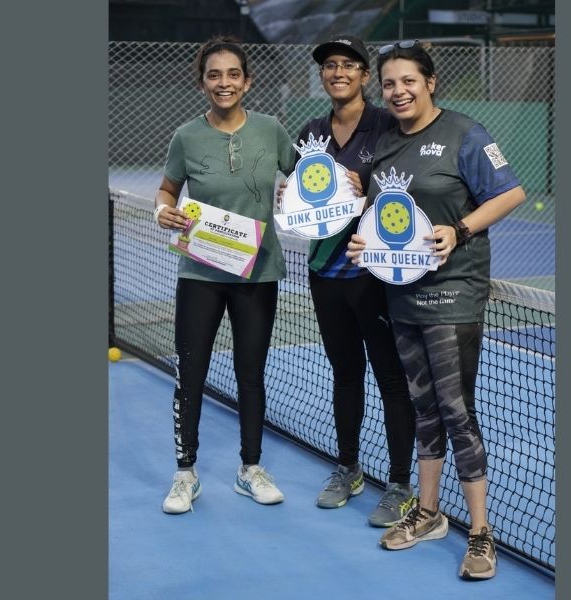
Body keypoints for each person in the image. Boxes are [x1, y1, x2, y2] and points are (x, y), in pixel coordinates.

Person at [346, 40, 526, 580]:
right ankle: (428, 513)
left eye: (409, 81)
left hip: (454, 294)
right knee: (423, 407)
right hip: (402, 296)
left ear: (430, 82)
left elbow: (510, 193)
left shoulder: (465, 134)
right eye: (389, 83)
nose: (398, 91)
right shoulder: (385, 146)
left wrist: (460, 228)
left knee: (455, 410)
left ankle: (481, 532)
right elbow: (383, 216)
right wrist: (364, 243)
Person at [154, 36, 296, 514]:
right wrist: (162, 211)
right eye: (214, 75)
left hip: (258, 273)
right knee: (190, 371)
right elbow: (167, 190)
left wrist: (294, 193)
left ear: (247, 81)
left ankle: (250, 468)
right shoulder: (186, 136)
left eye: (233, 74)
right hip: (200, 274)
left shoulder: (272, 130)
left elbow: (304, 180)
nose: (224, 82)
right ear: (202, 83)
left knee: (250, 373)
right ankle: (185, 473)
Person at [291, 35, 418, 527]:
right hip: (326, 275)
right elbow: (303, 199)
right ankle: (348, 468)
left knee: (391, 378)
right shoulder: (311, 133)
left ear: (365, 75)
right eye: (330, 65)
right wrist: (288, 194)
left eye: (348, 64)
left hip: (376, 278)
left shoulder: (388, 126)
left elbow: (408, 189)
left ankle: (400, 483)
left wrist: (369, 192)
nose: (338, 72)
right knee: (345, 374)